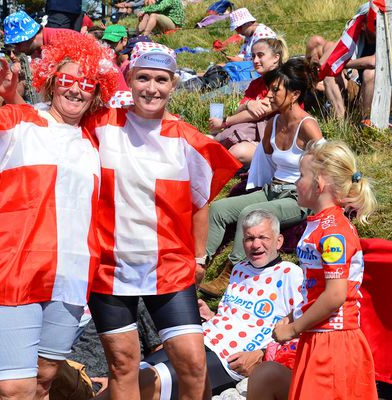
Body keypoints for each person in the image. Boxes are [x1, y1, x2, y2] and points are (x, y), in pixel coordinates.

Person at [83, 42, 241, 400]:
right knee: (123, 366)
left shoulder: (189, 141)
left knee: (193, 363)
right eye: (142, 78)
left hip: (168, 265)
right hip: (109, 265)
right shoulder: (100, 125)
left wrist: (200, 257)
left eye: (161, 79)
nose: (151, 88)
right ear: (129, 79)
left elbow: (201, 203)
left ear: (173, 84)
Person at [0, 31, 118, 400]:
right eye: (68, 79)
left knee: (44, 380)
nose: (76, 90)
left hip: (71, 274)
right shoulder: (19, 120)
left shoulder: (96, 140)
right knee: (12, 387)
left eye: (87, 83)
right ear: (51, 81)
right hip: (13, 270)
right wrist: (3, 97)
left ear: (97, 92)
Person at [94, 209, 304, 399]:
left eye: (263, 238)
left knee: (146, 382)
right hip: (205, 338)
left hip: (228, 359)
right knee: (127, 374)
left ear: (278, 241)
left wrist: (262, 352)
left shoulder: (290, 274)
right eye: (249, 238)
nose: (255, 244)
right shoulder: (240, 269)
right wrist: (212, 315)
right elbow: (243, 315)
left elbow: (302, 327)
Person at [199, 57, 323, 297]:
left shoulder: (308, 125)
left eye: (276, 90)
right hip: (273, 190)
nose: (269, 95)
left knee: (249, 214)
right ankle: (199, 265)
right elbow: (263, 158)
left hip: (297, 198)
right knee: (219, 209)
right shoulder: (276, 121)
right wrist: (253, 187)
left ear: (294, 94)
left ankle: (233, 271)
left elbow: (328, 161)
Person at [272, 140, 378, 399]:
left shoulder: (333, 231)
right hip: (319, 334)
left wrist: (294, 329)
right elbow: (316, 287)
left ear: (318, 184)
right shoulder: (320, 224)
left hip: (334, 341)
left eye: (300, 176)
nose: (295, 183)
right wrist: (295, 316)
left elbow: (334, 295)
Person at [209, 36, 288, 166]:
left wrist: (224, 122)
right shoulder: (256, 83)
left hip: (281, 139)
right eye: (253, 56)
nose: (255, 60)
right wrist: (249, 104)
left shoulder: (283, 80)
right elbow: (239, 110)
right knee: (217, 144)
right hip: (259, 136)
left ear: (276, 58)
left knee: (236, 152)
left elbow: (260, 112)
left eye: (260, 55)